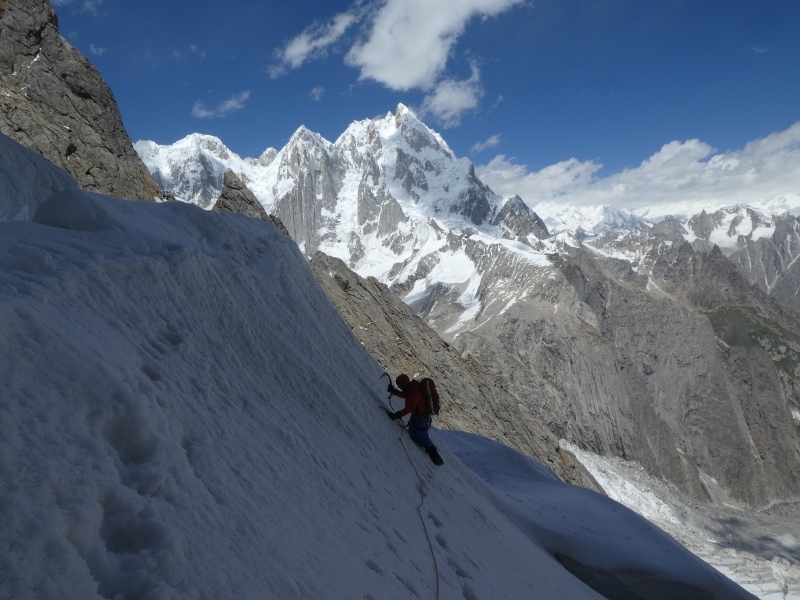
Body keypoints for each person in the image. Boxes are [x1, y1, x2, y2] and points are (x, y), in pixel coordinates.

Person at [387, 374, 444, 465]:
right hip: (418, 416)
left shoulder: (414, 391)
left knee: (423, 437)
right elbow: (406, 395)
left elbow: (409, 408)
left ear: (404, 384)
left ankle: (435, 455)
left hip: (421, 418)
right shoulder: (412, 388)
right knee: (413, 434)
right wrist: (395, 392)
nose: (400, 388)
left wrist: (397, 415)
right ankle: (425, 447)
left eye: (400, 386)